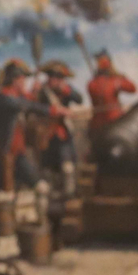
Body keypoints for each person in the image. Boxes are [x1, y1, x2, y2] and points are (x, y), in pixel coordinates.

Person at [0, 59, 58, 229]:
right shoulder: (2, 98)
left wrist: (36, 91)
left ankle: (41, 226)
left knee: (41, 188)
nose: (25, 82)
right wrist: (50, 110)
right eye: (23, 79)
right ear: (15, 80)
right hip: (2, 157)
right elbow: (25, 105)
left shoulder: (17, 96)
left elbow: (29, 101)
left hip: (18, 155)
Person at [34, 60, 84, 197]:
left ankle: (69, 195)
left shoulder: (66, 90)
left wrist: (66, 90)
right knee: (47, 172)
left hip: (62, 135)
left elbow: (79, 99)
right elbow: (35, 109)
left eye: (59, 78)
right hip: (46, 135)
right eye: (53, 77)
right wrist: (55, 110)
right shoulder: (42, 92)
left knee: (68, 168)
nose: (55, 81)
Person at [86, 48, 136, 138]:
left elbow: (132, 89)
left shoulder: (115, 80)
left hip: (114, 121)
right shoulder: (93, 83)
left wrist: (120, 82)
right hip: (100, 123)